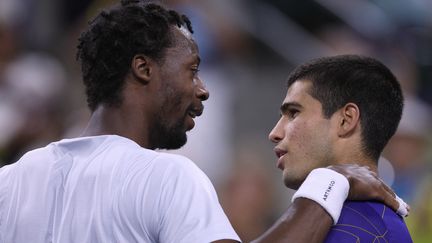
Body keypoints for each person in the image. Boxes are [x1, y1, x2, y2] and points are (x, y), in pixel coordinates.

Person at [0, 1, 406, 242]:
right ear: (144, 69)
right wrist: (330, 181)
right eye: (192, 70)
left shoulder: (11, 181)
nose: (202, 89)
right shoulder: (166, 177)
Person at [269, 54, 413, 242]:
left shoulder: (359, 231)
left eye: (294, 113)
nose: (274, 133)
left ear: (346, 120)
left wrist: (327, 182)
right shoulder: (372, 225)